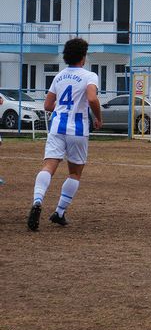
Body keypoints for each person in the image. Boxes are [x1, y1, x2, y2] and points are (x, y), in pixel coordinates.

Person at [27, 38, 102, 231]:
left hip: (57, 126)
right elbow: (92, 97)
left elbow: (47, 105)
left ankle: (37, 201)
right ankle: (59, 212)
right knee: (75, 172)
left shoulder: (59, 76)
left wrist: (61, 109)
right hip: (77, 129)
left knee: (49, 166)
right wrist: (98, 117)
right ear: (83, 57)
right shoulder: (89, 76)